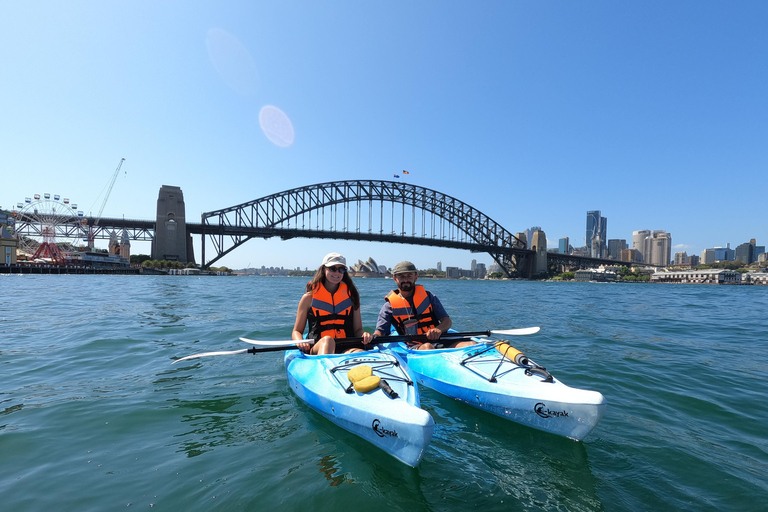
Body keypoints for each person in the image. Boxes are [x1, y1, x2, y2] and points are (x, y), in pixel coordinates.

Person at [373, 261, 475, 350]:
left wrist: (438, 329)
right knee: (427, 347)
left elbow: (447, 322)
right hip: (414, 345)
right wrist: (371, 338)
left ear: (416, 277)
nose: (405, 280)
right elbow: (380, 332)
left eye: (409, 276)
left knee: (471, 344)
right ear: (395, 279)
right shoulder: (389, 306)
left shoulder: (429, 297)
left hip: (439, 340)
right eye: (401, 276)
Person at [292, 252, 373, 355]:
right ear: (323, 269)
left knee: (359, 353)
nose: (337, 273)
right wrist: (300, 341)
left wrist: (364, 335)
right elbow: (297, 331)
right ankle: (324, 368)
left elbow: (358, 330)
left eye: (341, 269)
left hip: (346, 347)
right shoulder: (308, 298)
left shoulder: (351, 297)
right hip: (318, 346)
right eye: (333, 268)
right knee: (328, 341)